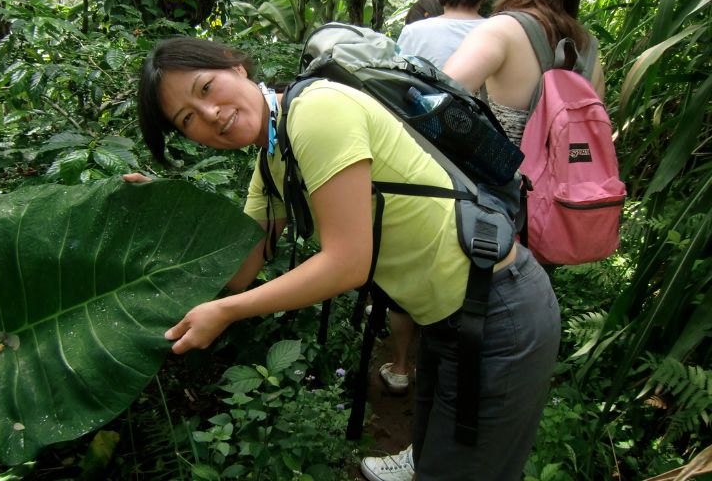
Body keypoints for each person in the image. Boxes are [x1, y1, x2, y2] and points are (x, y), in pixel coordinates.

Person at [127, 33, 561, 481]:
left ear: (234, 66)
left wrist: (227, 312)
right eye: (188, 119)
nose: (210, 114)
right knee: (435, 459)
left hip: (497, 314)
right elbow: (239, 271)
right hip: (448, 323)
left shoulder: (317, 112)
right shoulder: (272, 162)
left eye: (205, 88)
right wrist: (172, 211)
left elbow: (347, 263)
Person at [363, 0, 603, 481]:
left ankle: (428, 456)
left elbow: (430, 102)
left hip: (489, 217)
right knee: (506, 345)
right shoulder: (590, 49)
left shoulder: (505, 30)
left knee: (458, 343)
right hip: (547, 219)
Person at [372, 0, 494, 399]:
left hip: (420, 163)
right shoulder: (499, 32)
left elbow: (396, 94)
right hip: (478, 168)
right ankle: (450, 370)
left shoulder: (415, 32)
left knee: (412, 261)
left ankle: (402, 366)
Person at [442, 0, 605, 147]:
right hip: (569, 171)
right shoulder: (590, 54)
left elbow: (435, 99)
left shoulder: (501, 31)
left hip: (500, 169)